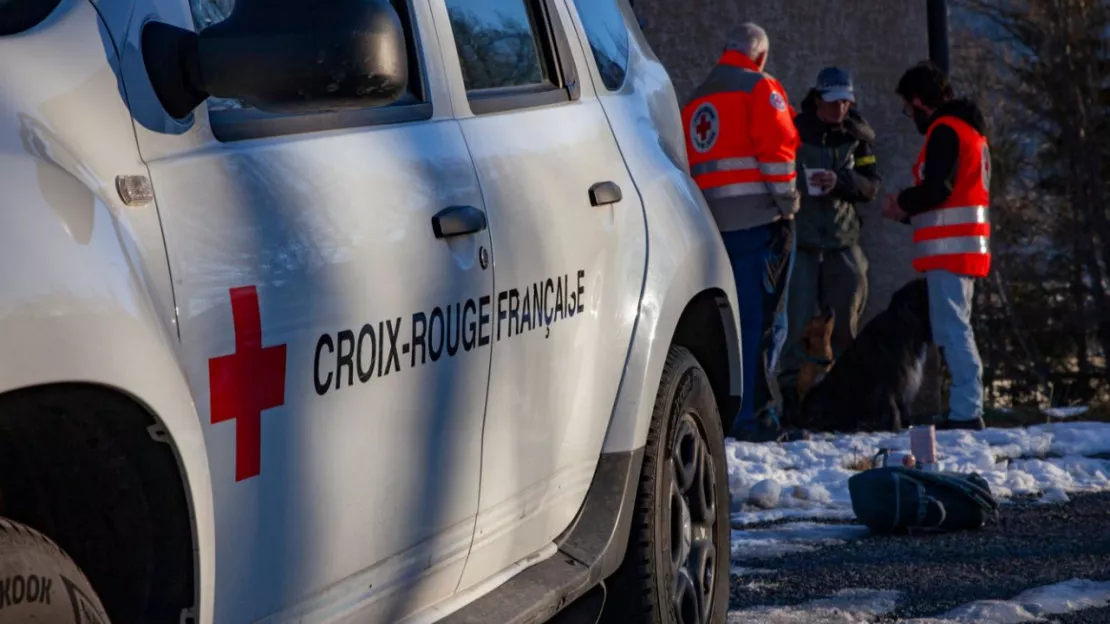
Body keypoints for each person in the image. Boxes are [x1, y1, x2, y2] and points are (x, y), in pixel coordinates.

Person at [681, 22, 804, 442]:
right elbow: (778, 151)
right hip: (759, 225)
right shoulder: (761, 87)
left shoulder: (696, 99)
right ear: (761, 56)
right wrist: (789, 204)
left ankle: (729, 414)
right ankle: (758, 417)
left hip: (713, 230)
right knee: (763, 323)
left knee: (726, 326)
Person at [882, 60, 991, 431]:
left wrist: (903, 203)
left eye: (907, 108)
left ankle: (966, 412)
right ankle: (966, 408)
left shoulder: (945, 130)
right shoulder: (969, 131)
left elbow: (937, 189)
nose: (909, 115)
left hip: (951, 250)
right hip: (962, 248)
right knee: (955, 328)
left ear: (919, 101)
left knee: (954, 330)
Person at [778, 67, 882, 416]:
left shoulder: (858, 136)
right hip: (803, 242)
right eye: (835, 101)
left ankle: (845, 401)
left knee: (846, 326)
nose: (841, 109)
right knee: (796, 325)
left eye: (846, 102)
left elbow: (871, 184)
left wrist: (840, 181)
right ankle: (793, 402)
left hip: (843, 241)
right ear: (818, 98)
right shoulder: (795, 129)